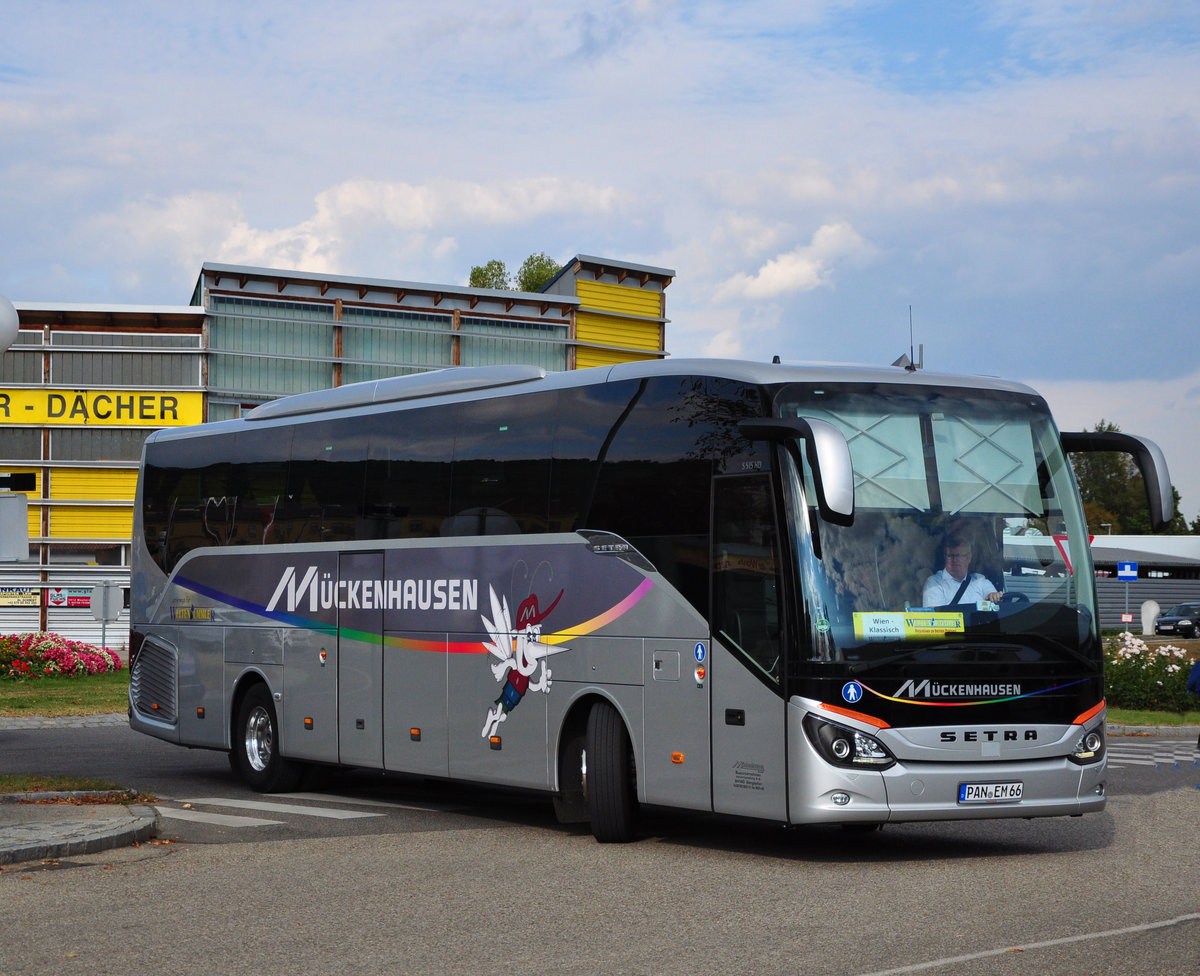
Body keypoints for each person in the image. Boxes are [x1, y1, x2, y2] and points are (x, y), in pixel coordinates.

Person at [922, 531, 1003, 607]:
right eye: (950, 556)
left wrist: (993, 596)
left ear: (969, 557)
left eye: (959, 556)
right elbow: (936, 618)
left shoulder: (979, 580)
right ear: (945, 557)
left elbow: (992, 595)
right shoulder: (934, 583)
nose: (955, 560)